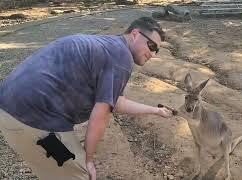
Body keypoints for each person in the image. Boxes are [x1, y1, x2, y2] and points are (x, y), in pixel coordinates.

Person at [0, 16, 172, 180]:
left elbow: (117, 102)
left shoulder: (109, 46)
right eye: (151, 45)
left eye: (156, 50)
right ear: (135, 34)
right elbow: (101, 115)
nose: (153, 53)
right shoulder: (122, 58)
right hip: (33, 119)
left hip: (9, 106)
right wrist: (88, 161)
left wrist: (156, 111)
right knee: (82, 174)